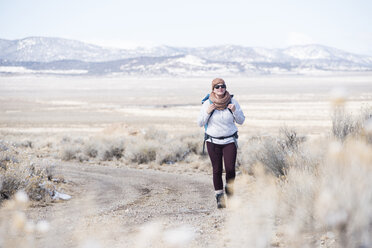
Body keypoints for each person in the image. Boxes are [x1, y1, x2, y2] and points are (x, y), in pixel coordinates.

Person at [198, 78, 245, 209]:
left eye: (222, 86)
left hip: (229, 140)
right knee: (217, 170)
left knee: (230, 169)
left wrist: (235, 111)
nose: (220, 89)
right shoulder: (207, 104)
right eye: (217, 87)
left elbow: (241, 121)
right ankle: (219, 197)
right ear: (213, 89)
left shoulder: (232, 101)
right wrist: (207, 112)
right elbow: (200, 123)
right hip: (212, 141)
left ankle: (230, 189)